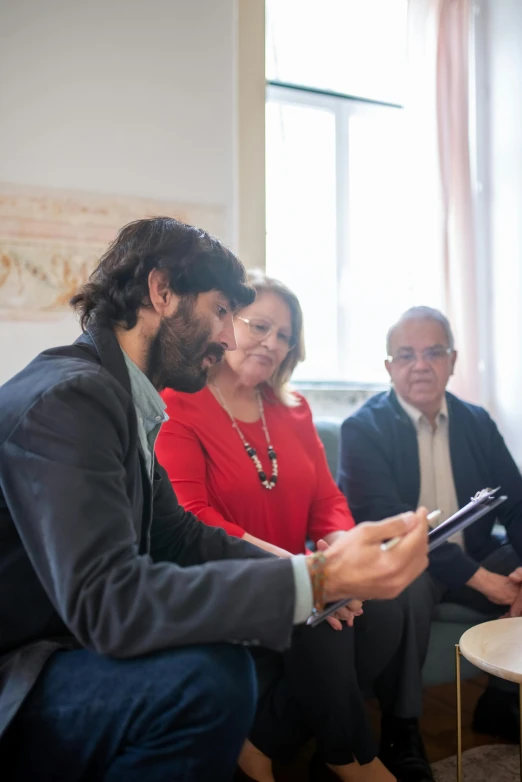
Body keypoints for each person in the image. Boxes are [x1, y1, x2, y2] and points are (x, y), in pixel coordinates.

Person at [0, 219, 429, 782]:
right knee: (208, 681)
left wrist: (314, 571)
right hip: (20, 668)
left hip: (61, 640)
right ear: (162, 291)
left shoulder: (116, 394)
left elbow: (180, 534)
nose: (230, 337)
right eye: (222, 310)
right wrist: (312, 583)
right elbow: (109, 604)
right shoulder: (74, 398)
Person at [156, 271, 435, 782]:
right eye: (259, 326)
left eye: (285, 335)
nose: (273, 343)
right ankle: (350, 759)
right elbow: (193, 519)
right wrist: (308, 569)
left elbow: (327, 500)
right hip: (227, 582)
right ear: (223, 325)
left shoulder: (294, 409)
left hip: (300, 572)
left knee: (387, 605)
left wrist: (341, 546)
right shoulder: (177, 403)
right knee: (319, 616)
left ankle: (260, 744)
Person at [339, 305, 522, 743]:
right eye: (405, 355)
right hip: (412, 561)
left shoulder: (477, 421)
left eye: (433, 352)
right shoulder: (362, 429)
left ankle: (501, 699)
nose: (420, 365)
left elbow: (515, 504)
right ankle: (402, 731)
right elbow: (391, 526)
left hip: (475, 553)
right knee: (406, 584)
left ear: (452, 361)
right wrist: (485, 581)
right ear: (388, 366)